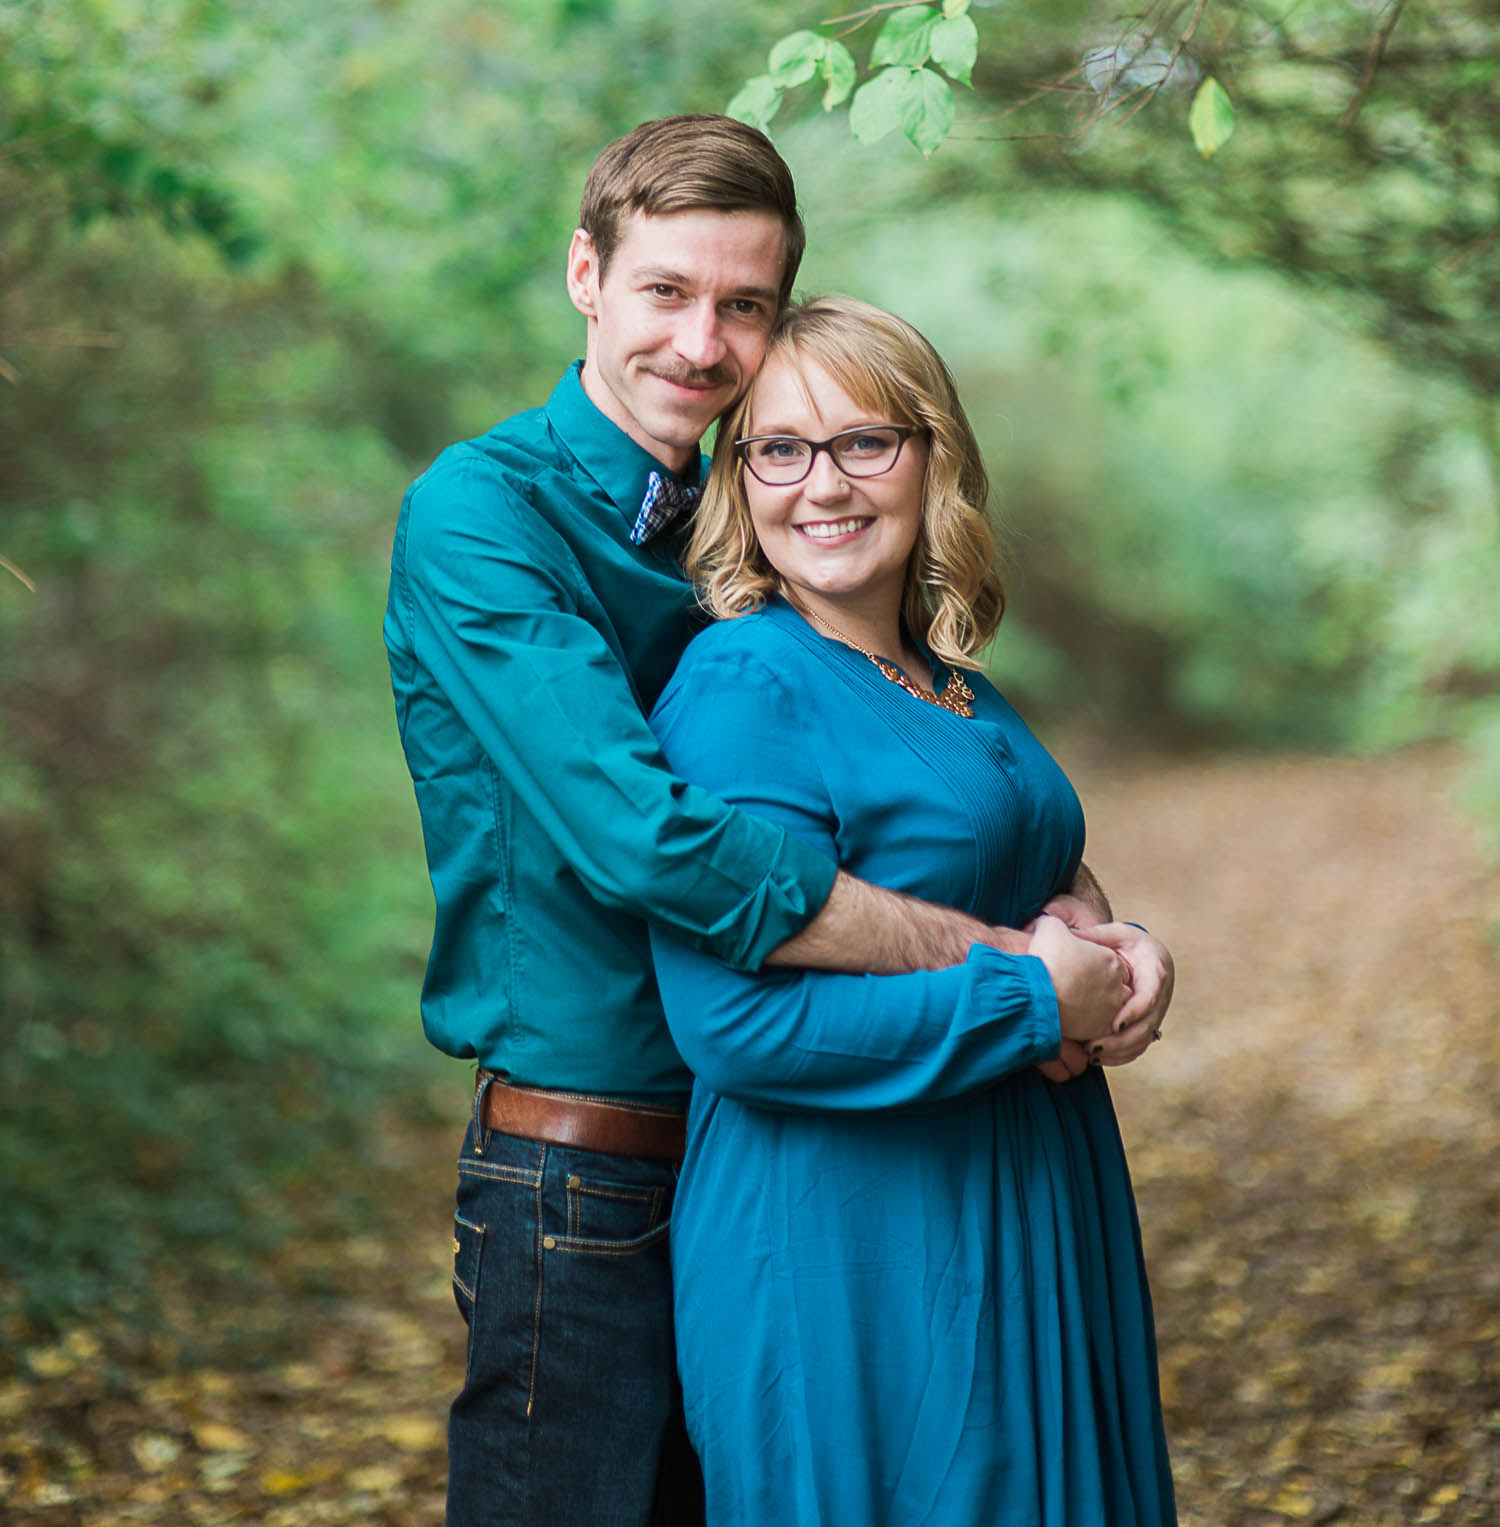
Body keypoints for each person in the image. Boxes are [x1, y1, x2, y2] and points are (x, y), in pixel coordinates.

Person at [384, 117, 1171, 1527]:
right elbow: (654, 842)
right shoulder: (484, 515)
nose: (702, 340)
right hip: (591, 1168)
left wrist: (1086, 917)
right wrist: (1004, 963)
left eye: (744, 303)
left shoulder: (745, 518)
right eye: (667, 291)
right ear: (586, 272)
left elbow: (916, 776)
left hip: (789, 1152)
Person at [649, 295, 1177, 1527]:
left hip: (1031, 1197)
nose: (819, 485)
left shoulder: (952, 684)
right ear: (738, 479)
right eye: (778, 449)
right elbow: (737, 1027)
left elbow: (1019, 869)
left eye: (863, 444)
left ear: (933, 453)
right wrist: (1031, 996)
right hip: (854, 1245)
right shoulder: (744, 682)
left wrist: (1123, 946)